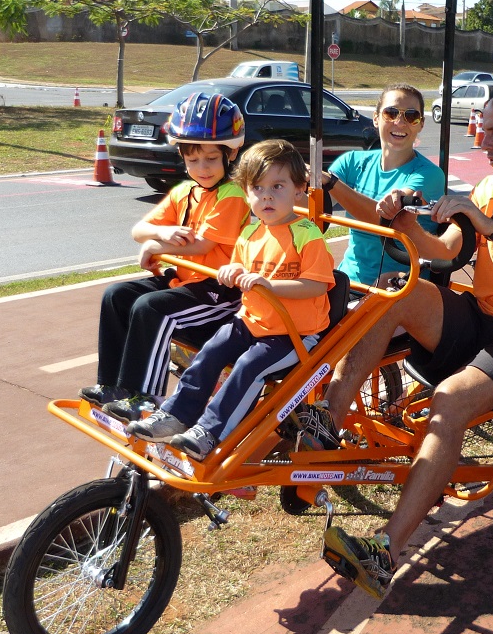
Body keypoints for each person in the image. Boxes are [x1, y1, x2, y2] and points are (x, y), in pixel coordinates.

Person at [294, 88, 493, 599]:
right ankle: (327, 422)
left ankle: (385, 552)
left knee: (449, 401)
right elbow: (443, 250)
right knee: (398, 290)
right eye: (481, 128)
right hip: (484, 317)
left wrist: (492, 224)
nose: (482, 139)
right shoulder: (491, 186)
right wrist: (401, 224)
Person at [126, 139, 336, 461]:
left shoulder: (308, 234)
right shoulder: (251, 233)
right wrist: (233, 270)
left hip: (294, 335)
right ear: (247, 192)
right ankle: (175, 414)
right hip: (252, 321)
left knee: (249, 367)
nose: (266, 196)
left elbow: (315, 286)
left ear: (299, 191)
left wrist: (269, 285)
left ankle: (210, 432)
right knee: (210, 352)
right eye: (257, 188)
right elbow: (239, 264)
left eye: (277, 187)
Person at [79, 93, 250, 423]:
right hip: (186, 280)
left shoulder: (233, 196)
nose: (202, 168)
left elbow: (201, 246)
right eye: (193, 159)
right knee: (116, 295)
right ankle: (112, 385)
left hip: (219, 293)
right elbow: (139, 230)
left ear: (230, 155)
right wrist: (159, 236)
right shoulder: (184, 192)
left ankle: (145, 398)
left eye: (211, 159)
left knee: (151, 308)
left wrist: (159, 246)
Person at [319, 83, 445, 284]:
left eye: (411, 116)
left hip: (398, 286)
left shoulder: (429, 174)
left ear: (421, 124)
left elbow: (386, 218)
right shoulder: (352, 161)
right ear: (376, 119)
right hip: (347, 279)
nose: (400, 123)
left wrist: (331, 182)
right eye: (391, 113)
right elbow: (313, 202)